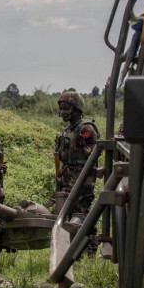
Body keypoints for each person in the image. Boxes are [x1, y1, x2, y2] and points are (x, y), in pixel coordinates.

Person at [55, 91, 100, 254]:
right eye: (61, 109)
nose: (63, 112)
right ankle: (74, 251)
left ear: (76, 108)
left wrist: (85, 183)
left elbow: (92, 158)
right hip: (68, 178)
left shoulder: (85, 129)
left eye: (66, 108)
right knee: (69, 215)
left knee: (83, 214)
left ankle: (90, 249)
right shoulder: (68, 130)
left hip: (82, 178)